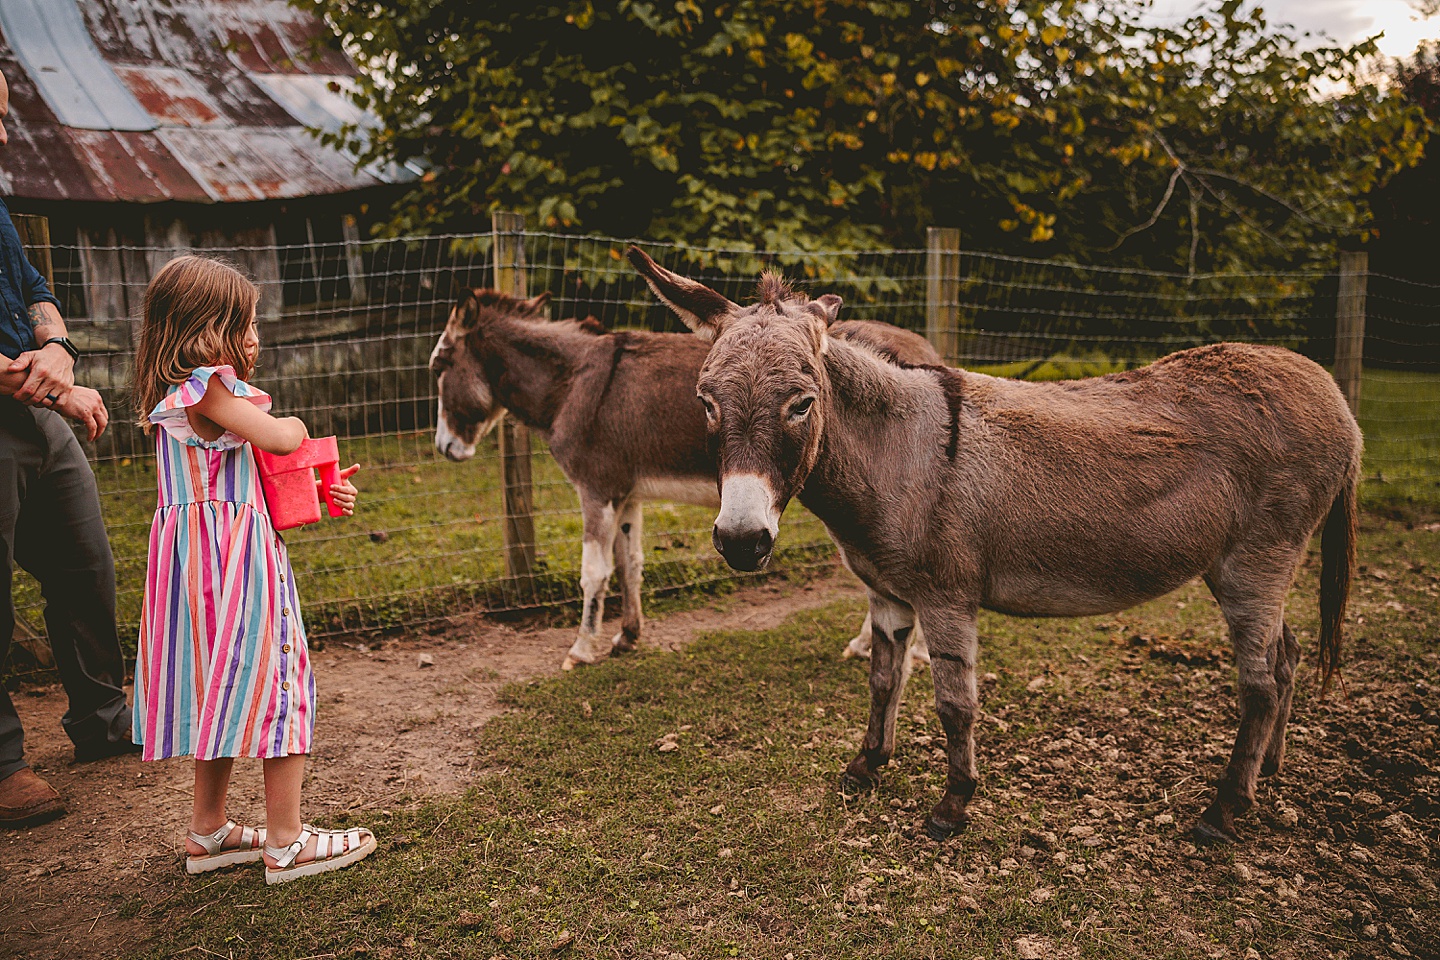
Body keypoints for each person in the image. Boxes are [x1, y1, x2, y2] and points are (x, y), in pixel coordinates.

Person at [130, 255, 375, 883]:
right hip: (237, 563)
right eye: (246, 321)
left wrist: (320, 494)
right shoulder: (209, 388)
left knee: (223, 688)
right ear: (206, 327)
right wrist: (293, 424)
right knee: (277, 679)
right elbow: (281, 439)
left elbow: (244, 481)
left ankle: (208, 832)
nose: (255, 336)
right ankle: (288, 843)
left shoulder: (180, 396)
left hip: (197, 569)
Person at [0, 67, 135, 830]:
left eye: (4, 116)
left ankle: (103, 720)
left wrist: (58, 348)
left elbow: (33, 285)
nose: (2, 133)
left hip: (35, 409)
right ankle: (2, 763)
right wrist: (47, 382)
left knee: (86, 563)